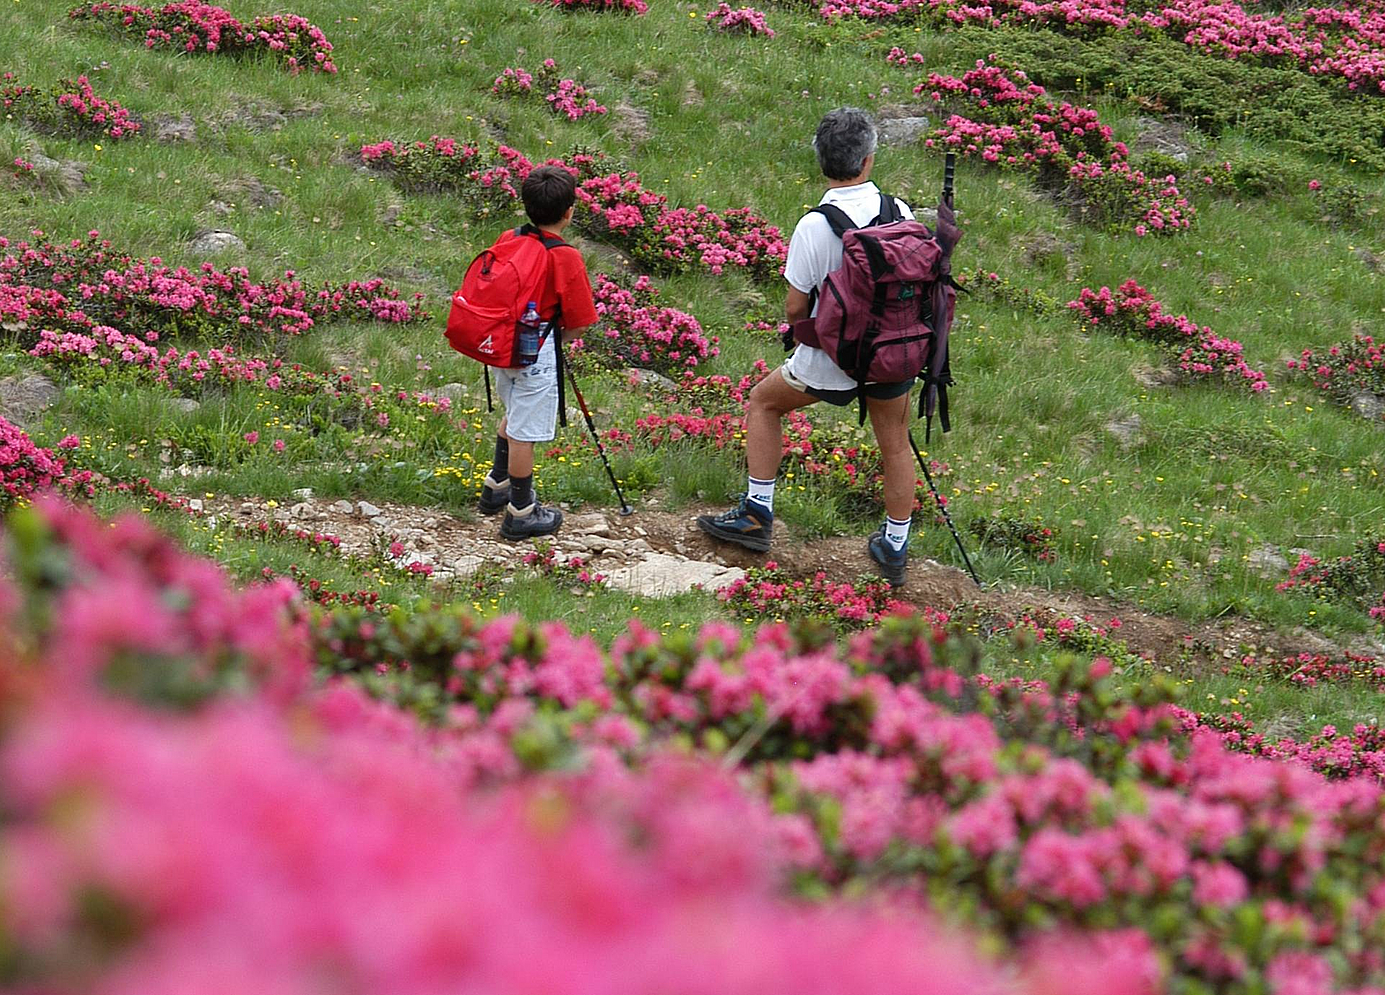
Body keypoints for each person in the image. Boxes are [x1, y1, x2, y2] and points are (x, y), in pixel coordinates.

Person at [698, 107, 918, 585]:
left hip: (831, 359)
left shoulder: (814, 226)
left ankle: (756, 515)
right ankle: (894, 546)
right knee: (895, 446)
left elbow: (797, 307)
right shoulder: (898, 211)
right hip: (891, 354)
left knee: (763, 403)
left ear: (821, 161)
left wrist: (802, 335)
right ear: (869, 159)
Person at [477, 165, 598, 540]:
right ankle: (521, 511)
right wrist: (558, 338)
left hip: (499, 346)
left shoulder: (508, 238)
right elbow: (579, 322)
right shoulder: (566, 257)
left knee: (515, 413)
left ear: (525, 205)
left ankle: (495, 486)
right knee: (525, 432)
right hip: (537, 351)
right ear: (569, 211)